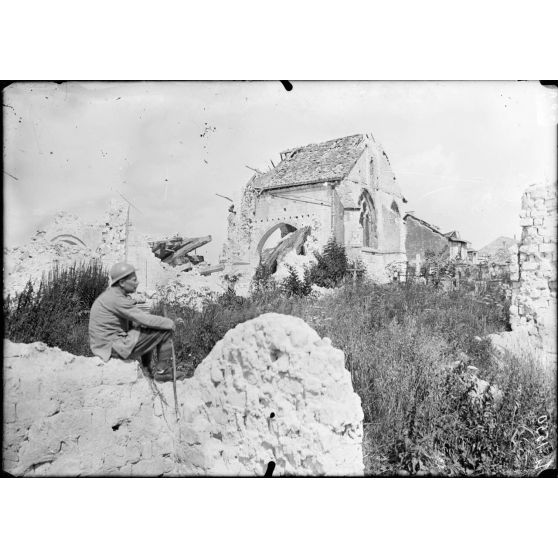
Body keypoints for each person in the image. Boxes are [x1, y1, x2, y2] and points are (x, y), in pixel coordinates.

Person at [89, 261, 175, 379]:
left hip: (105, 345)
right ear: (122, 282)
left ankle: (146, 369)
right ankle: (163, 372)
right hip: (112, 347)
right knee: (165, 331)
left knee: (146, 329)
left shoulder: (112, 295)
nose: (137, 282)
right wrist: (169, 322)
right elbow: (144, 319)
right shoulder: (116, 299)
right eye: (134, 280)